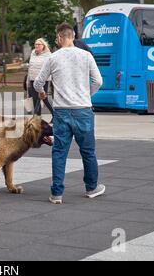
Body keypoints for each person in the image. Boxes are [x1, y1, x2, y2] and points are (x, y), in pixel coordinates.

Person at [34, 23, 104, 204]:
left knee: (59, 152)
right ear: (72, 37)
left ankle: (56, 193)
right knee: (88, 151)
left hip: (62, 111)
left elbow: (37, 83)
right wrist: (87, 94)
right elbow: (98, 81)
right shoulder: (86, 55)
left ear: (59, 38)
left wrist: (42, 93)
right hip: (83, 110)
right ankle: (91, 187)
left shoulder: (53, 58)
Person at [27, 38, 53, 117]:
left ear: (43, 46)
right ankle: (37, 117)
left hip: (43, 80)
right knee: (35, 99)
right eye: (35, 44)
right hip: (32, 79)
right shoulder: (32, 53)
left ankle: (54, 114)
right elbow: (30, 67)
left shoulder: (48, 55)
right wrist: (28, 80)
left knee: (43, 98)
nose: (37, 46)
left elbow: (50, 68)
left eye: (39, 44)